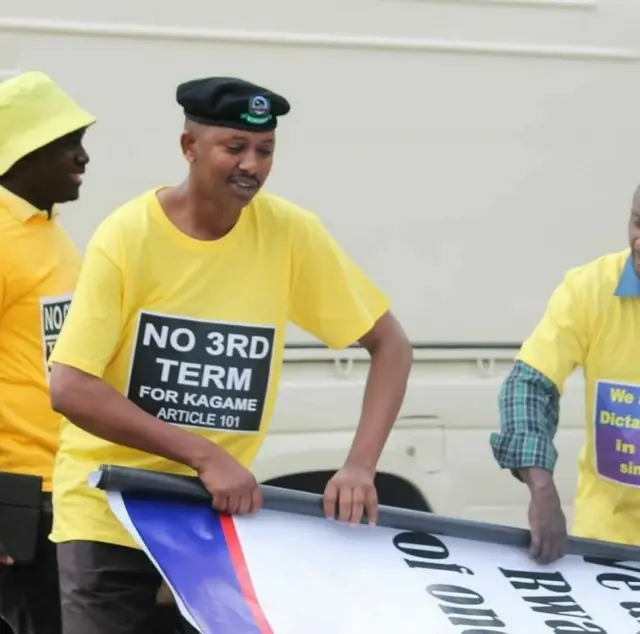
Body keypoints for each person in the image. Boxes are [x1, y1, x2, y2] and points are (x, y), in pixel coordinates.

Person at [46, 76, 413, 634]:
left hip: (211, 518)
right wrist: (205, 454)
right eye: (234, 147)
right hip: (107, 511)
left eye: (265, 151)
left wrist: (360, 466)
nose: (252, 165)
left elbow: (390, 345)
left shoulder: (290, 234)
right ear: (189, 148)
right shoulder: (128, 235)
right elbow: (70, 385)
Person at [490, 184, 640, 564]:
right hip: (609, 547)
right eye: (638, 223)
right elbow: (529, 385)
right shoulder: (590, 289)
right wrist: (541, 488)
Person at [0, 70, 95, 634]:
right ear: (20, 154)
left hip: (59, 486)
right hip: (13, 494)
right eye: (67, 144)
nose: (82, 158)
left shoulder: (48, 228)